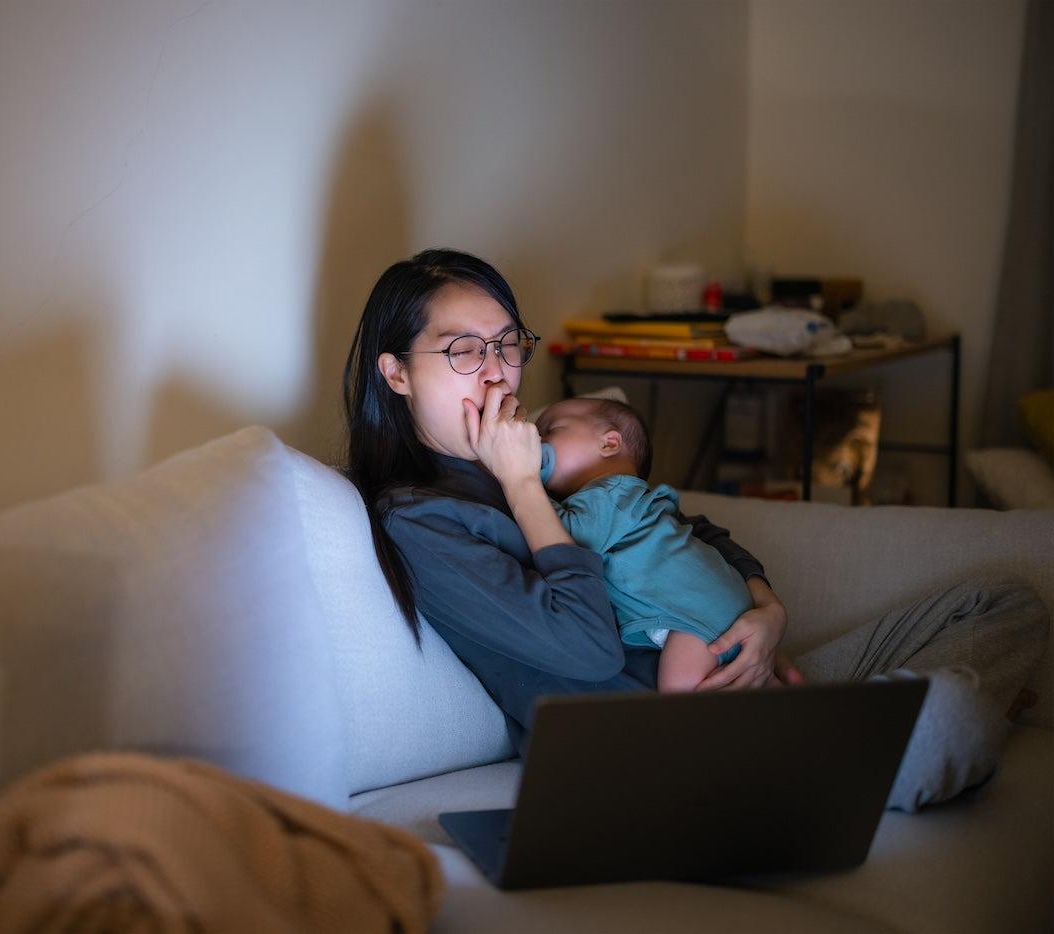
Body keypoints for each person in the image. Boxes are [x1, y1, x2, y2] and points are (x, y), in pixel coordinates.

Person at [342, 247, 1047, 811]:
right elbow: (584, 649)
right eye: (464, 351)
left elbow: (681, 522)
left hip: (741, 679)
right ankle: (883, 751)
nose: (498, 376)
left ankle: (876, 743)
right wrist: (524, 487)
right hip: (668, 743)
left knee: (1003, 602)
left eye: (507, 345)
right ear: (396, 373)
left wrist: (766, 611)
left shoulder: (530, 454)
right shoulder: (423, 519)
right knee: (946, 717)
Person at [535, 396, 751, 692]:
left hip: (699, 614)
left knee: (680, 698)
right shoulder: (620, 500)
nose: (537, 439)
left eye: (550, 429)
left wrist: (525, 483)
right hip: (711, 606)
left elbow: (570, 540)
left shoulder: (611, 492)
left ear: (609, 443)